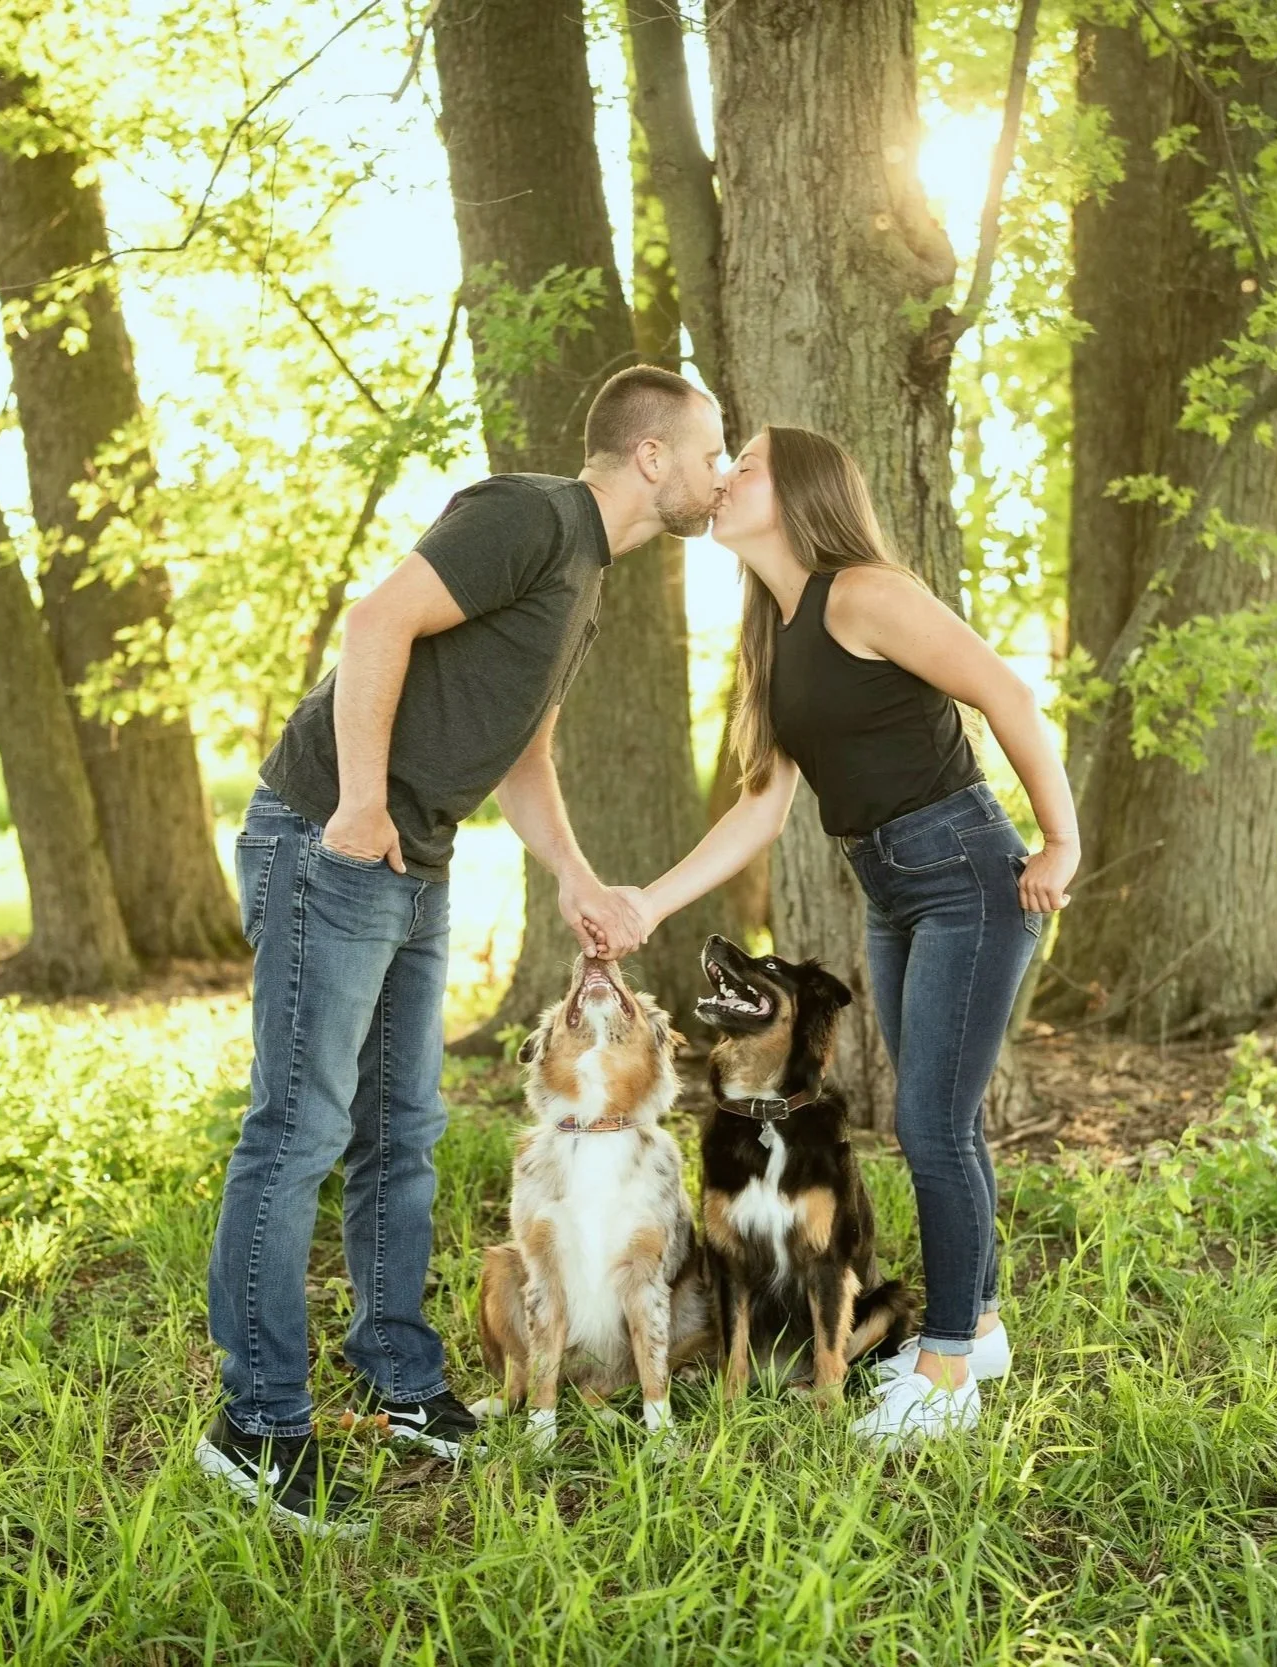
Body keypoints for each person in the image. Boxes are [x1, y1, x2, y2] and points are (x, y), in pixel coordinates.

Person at [196, 366, 725, 1534]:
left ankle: (398, 1376)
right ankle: (257, 1420)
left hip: (410, 858)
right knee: (297, 1129)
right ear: (651, 455)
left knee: (405, 1131)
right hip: (334, 841)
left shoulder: (586, 580)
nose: (720, 471)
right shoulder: (531, 516)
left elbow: (521, 746)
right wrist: (362, 806)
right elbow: (378, 618)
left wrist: (575, 875)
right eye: (711, 449)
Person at [627, 425, 1080, 1447]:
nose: (724, 474)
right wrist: (650, 902)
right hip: (893, 888)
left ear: (795, 493)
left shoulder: (861, 591)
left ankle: (947, 1367)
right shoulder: (772, 629)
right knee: (938, 1119)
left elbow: (1003, 692)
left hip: (966, 873)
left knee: (927, 1123)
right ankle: (985, 1325)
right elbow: (758, 808)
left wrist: (1062, 838)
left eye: (743, 463)